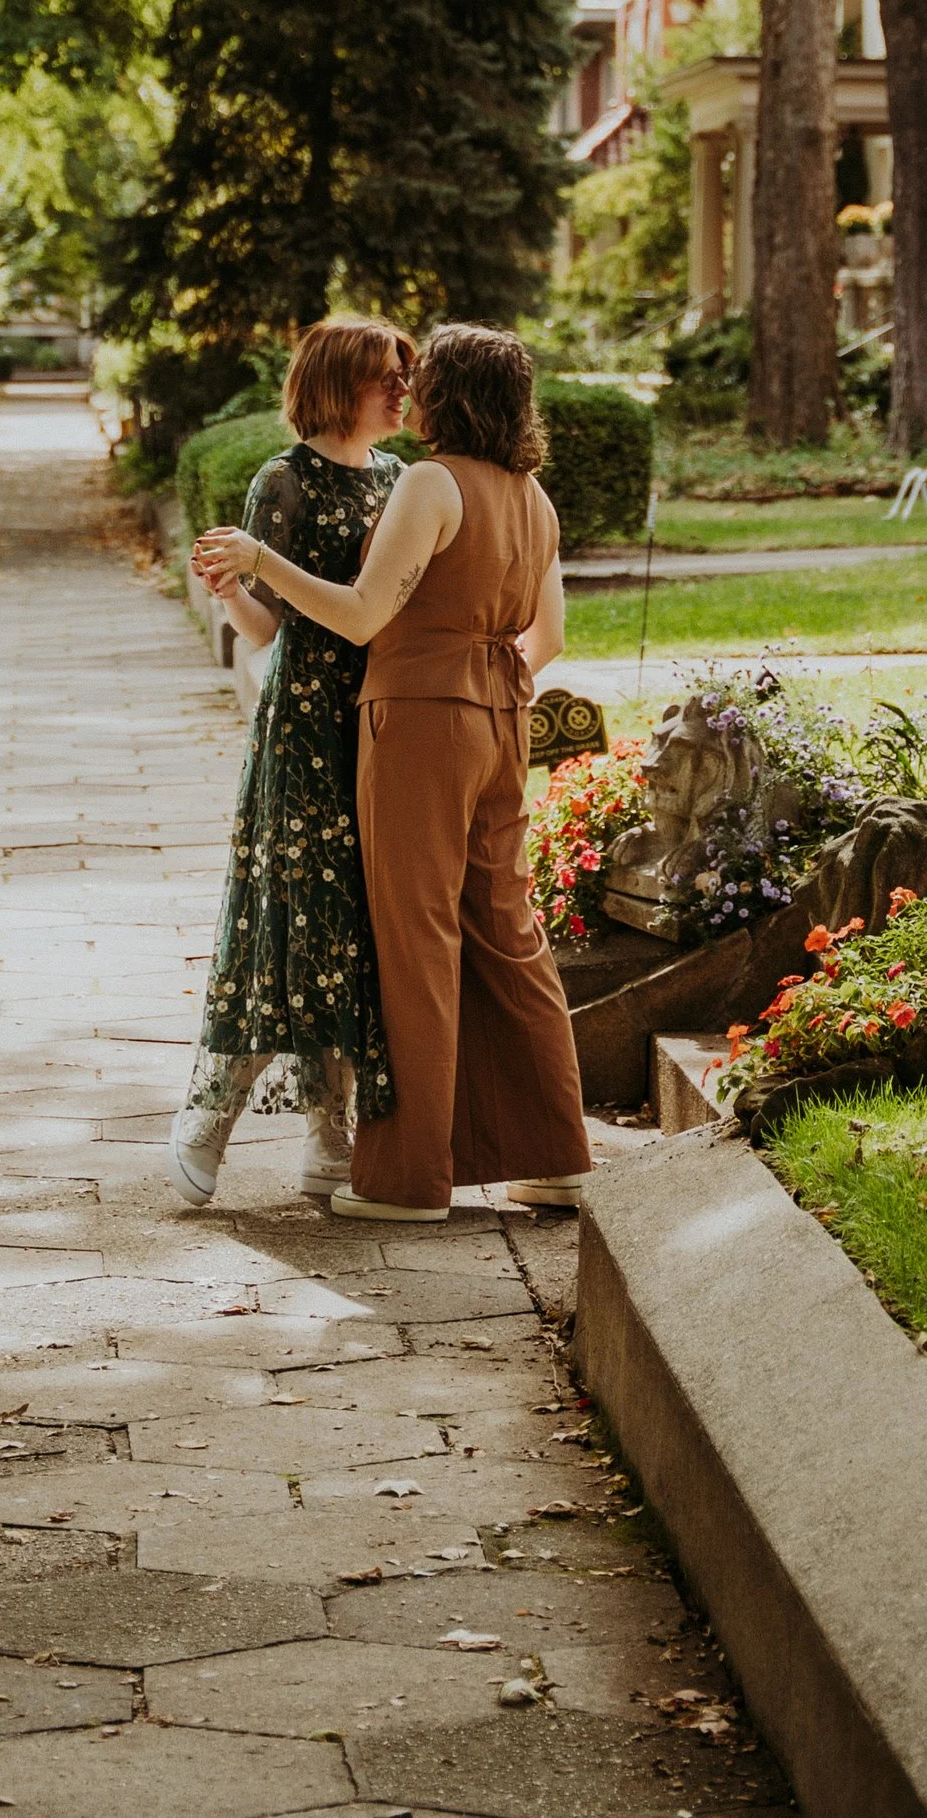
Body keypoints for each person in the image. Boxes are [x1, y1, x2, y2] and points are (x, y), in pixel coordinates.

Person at [194, 322, 591, 1223]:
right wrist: (489, 686)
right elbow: (551, 637)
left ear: (452, 393)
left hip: (418, 722)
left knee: (413, 943)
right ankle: (557, 1158)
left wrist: (259, 560)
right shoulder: (533, 496)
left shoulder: (430, 482)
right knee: (509, 930)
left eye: (424, 376)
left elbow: (364, 615)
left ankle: (407, 1180)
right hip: (502, 718)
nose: (408, 390)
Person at [167, 315, 415, 1208]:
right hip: (306, 723)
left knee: (353, 926)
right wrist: (231, 590)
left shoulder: (400, 478)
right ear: (339, 383)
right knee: (286, 917)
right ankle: (211, 1114)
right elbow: (266, 631)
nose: (402, 389)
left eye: (405, 374)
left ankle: (328, 1132)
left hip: (378, 717)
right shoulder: (283, 481)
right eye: (385, 376)